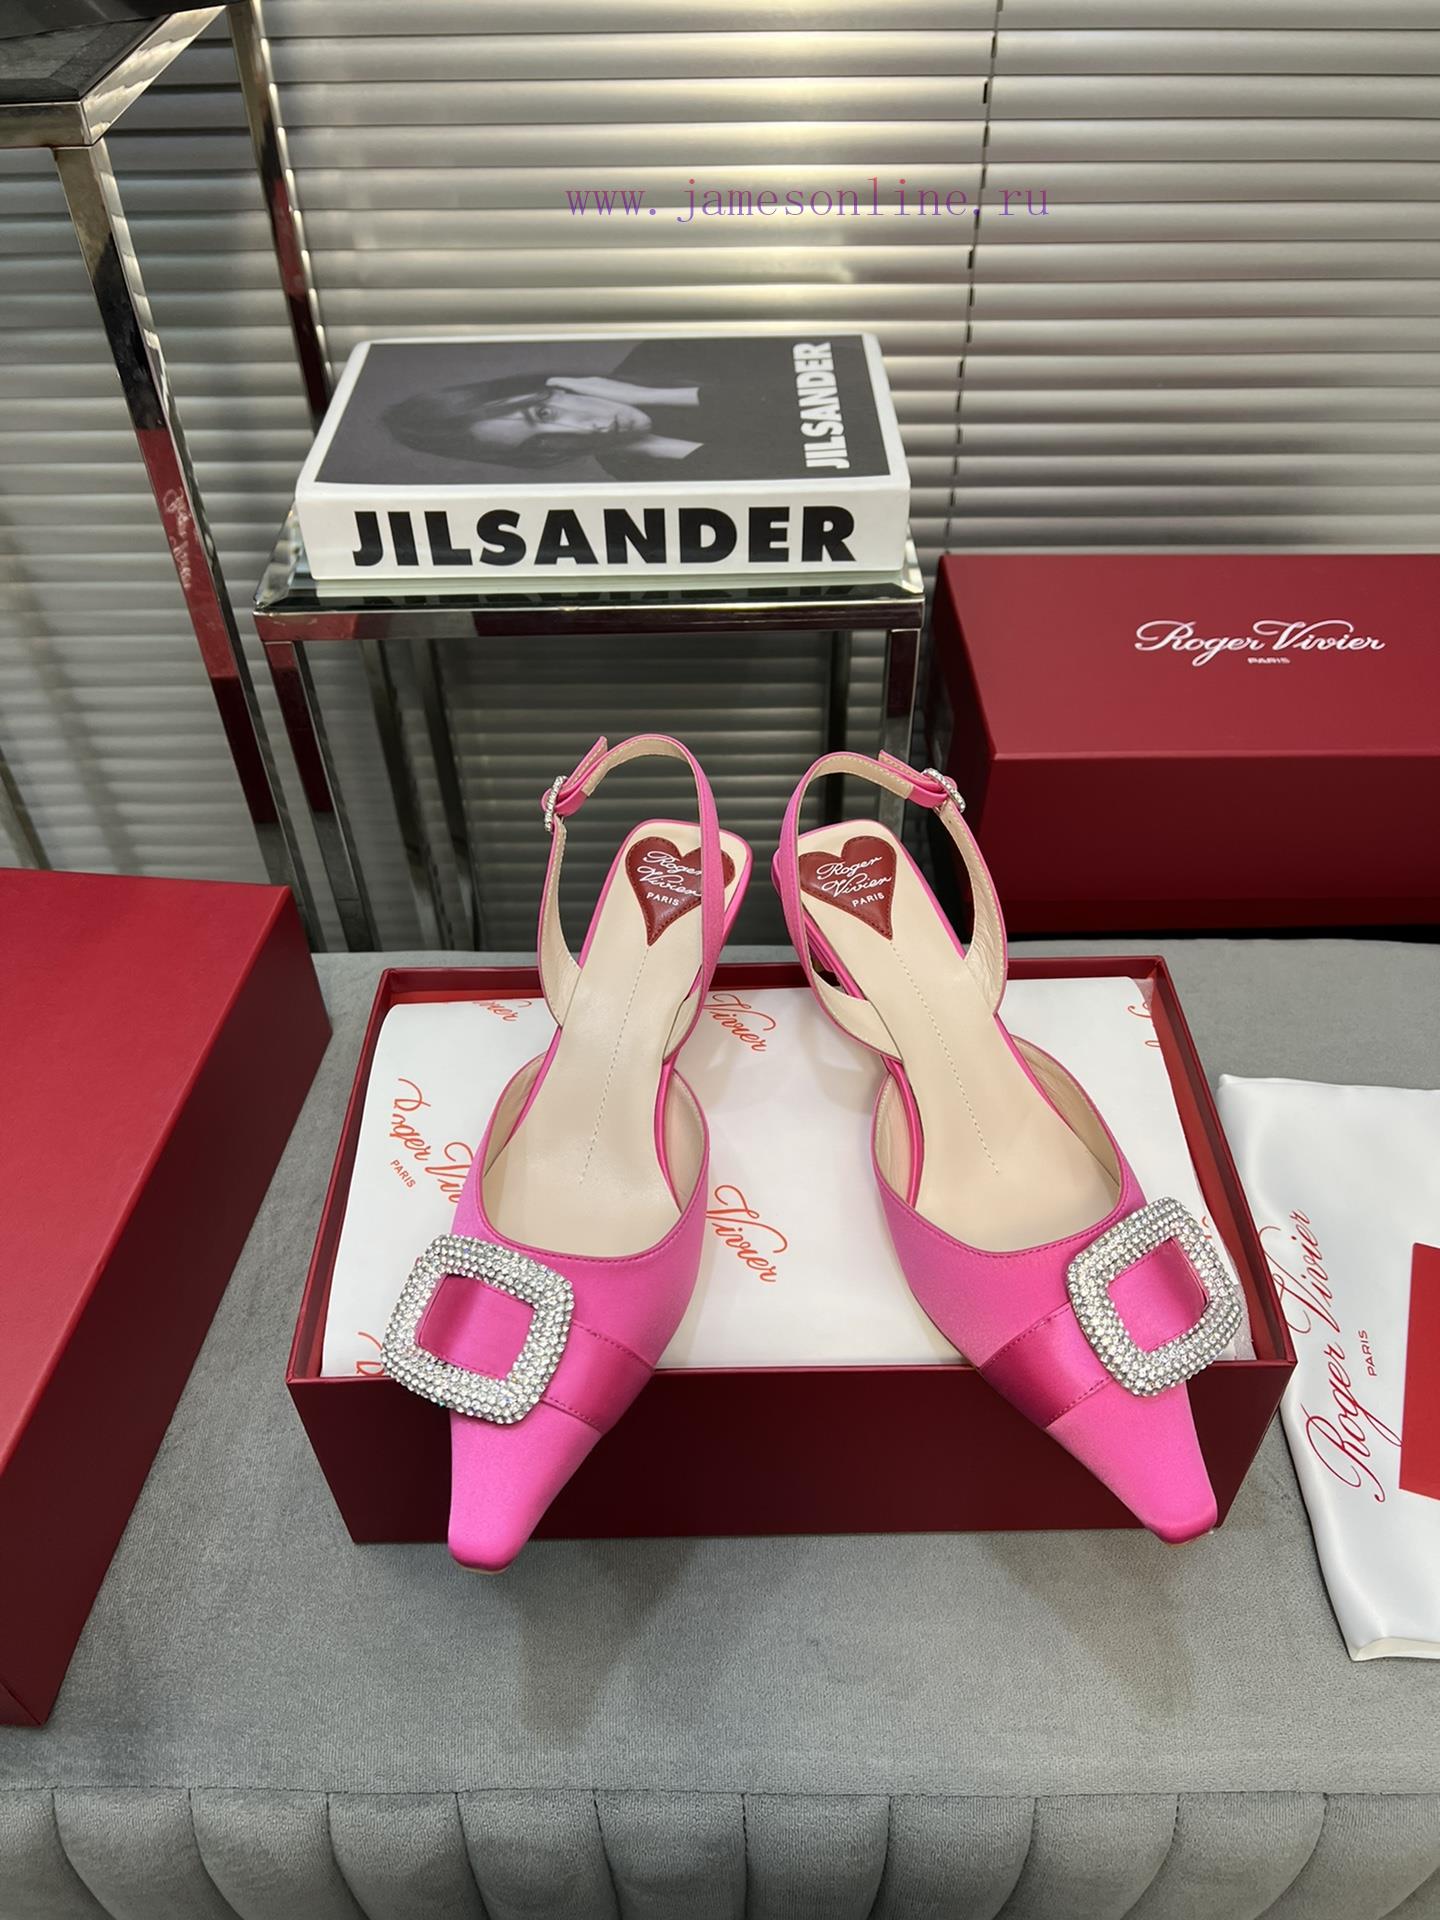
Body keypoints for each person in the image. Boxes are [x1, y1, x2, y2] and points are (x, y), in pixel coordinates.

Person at [381, 338, 805, 480]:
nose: (586, 431)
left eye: (544, 415)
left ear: (556, 389)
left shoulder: (671, 350)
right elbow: (794, 477)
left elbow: (821, 395)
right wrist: (657, 445)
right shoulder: (637, 471)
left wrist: (650, 395)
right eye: (544, 443)